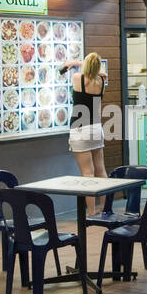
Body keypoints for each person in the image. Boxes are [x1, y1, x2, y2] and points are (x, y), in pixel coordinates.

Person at [65, 53, 108, 213]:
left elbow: (84, 67)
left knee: (87, 174)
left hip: (80, 129)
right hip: (96, 128)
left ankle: (91, 211)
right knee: (101, 170)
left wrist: (71, 62)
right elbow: (93, 68)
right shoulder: (101, 80)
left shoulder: (78, 78)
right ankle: (104, 207)